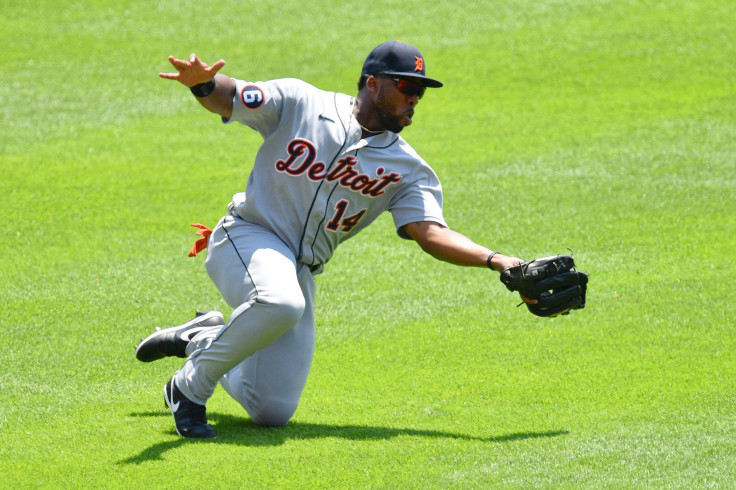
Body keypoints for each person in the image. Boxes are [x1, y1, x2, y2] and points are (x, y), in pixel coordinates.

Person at [136, 41, 529, 438]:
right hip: (247, 237)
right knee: (280, 301)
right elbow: (232, 97)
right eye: (406, 88)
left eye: (420, 92)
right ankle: (188, 389)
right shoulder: (301, 102)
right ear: (373, 84)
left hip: (299, 270)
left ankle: (201, 338)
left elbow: (430, 233)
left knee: (270, 408)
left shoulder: (408, 168)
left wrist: (497, 259)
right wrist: (203, 85)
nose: (415, 99)